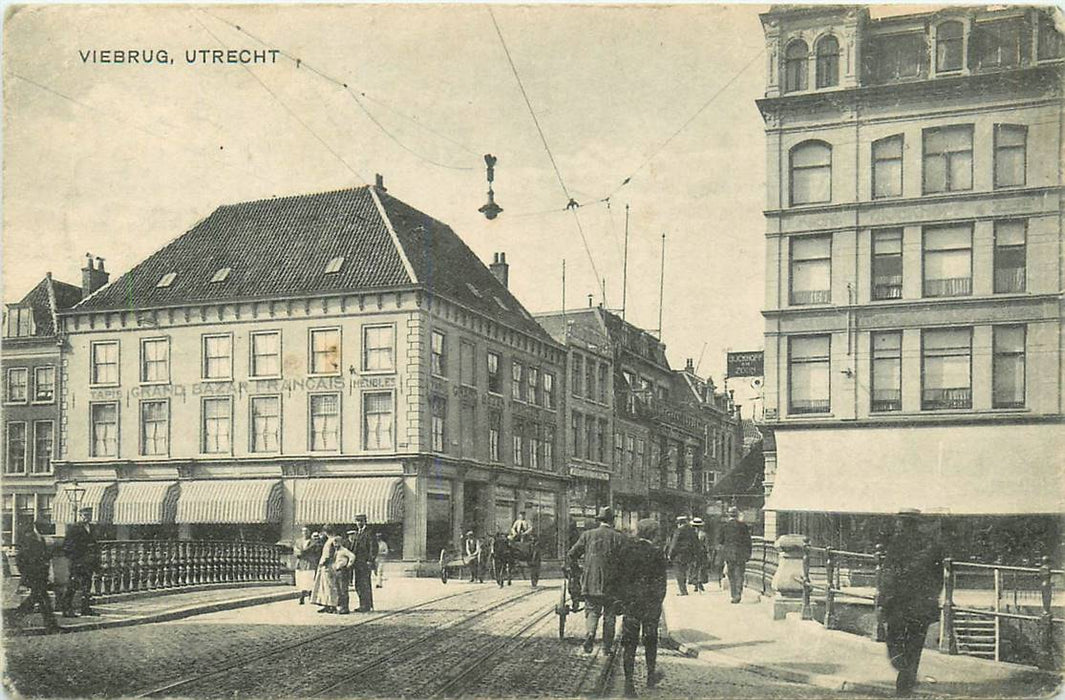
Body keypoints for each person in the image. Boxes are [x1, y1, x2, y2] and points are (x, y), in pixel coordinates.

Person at [880, 509, 944, 697]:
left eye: (900, 522)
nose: (898, 525)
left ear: (905, 523)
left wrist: (883, 598)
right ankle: (905, 683)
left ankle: (903, 676)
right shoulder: (932, 545)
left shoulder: (896, 545)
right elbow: (938, 579)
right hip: (920, 605)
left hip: (899, 603)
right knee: (914, 646)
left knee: (894, 640)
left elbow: (888, 574)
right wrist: (931, 598)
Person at [567, 505, 628, 654]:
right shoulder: (619, 537)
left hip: (591, 582)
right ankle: (607, 647)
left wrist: (578, 570)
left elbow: (572, 554)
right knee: (610, 615)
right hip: (612, 584)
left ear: (599, 520)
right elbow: (627, 561)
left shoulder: (588, 535)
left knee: (592, 611)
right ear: (612, 521)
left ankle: (590, 635)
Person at [617, 518, 667, 697]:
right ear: (652, 534)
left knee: (629, 644)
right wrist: (658, 601)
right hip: (650, 604)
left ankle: (628, 685)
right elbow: (662, 582)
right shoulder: (656, 552)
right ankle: (651, 675)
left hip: (631, 604)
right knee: (650, 640)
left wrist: (622, 601)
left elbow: (619, 578)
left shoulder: (626, 551)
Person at [15, 519, 61, 633]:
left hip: (41, 575)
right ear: (37, 527)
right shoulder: (30, 539)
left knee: (38, 598)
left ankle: (14, 617)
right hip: (33, 574)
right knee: (43, 599)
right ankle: (51, 626)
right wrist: (25, 573)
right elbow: (20, 558)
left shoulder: (41, 539)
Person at [62, 507, 100, 617]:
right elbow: (67, 545)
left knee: (87, 586)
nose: (87, 517)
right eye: (85, 515)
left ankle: (86, 608)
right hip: (77, 561)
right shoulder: (74, 528)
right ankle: (67, 609)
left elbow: (94, 543)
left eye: (89, 515)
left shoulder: (92, 528)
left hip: (89, 562)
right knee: (73, 585)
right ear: (80, 515)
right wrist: (75, 558)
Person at [719, 506, 752, 604]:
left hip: (729, 555)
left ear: (729, 515)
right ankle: (738, 594)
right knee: (739, 575)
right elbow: (748, 542)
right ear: (737, 515)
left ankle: (733, 595)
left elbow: (720, 542)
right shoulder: (743, 526)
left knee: (731, 575)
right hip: (741, 554)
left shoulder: (724, 526)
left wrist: (723, 554)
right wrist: (748, 554)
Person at [350, 514, 378, 612]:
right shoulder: (358, 533)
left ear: (365, 521)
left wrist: (370, 560)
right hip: (357, 563)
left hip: (365, 563)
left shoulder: (369, 533)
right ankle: (364, 604)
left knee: (364, 584)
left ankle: (366, 605)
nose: (358, 523)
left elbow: (373, 548)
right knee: (358, 584)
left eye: (360, 521)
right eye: (357, 521)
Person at [310, 525, 341, 613]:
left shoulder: (333, 540)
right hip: (325, 565)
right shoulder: (329, 540)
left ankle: (332, 605)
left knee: (330, 585)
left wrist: (325, 561)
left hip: (328, 565)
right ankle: (326, 604)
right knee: (323, 586)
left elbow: (332, 553)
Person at [666, 515, 697, 596]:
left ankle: (683, 590)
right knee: (685, 571)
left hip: (678, 555)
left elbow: (674, 544)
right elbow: (696, 543)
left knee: (679, 572)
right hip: (689, 554)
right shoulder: (692, 531)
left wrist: (670, 554)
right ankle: (684, 589)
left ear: (679, 523)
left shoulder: (678, 531)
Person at [293, 527, 321, 605]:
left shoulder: (313, 542)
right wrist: (299, 553)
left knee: (309, 580)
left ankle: (310, 595)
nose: (305, 533)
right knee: (301, 580)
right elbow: (295, 551)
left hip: (310, 563)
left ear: (309, 532)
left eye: (307, 531)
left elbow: (316, 553)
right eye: (303, 531)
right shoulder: (298, 541)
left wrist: (304, 553)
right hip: (301, 563)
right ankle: (302, 596)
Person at [334, 531, 355, 615]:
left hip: (343, 571)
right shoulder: (336, 551)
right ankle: (340, 606)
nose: (335, 544)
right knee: (338, 590)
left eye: (337, 542)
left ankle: (345, 607)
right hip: (337, 571)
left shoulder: (344, 550)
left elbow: (352, 556)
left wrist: (349, 564)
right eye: (334, 543)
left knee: (343, 590)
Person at [690, 517, 709, 593]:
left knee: (694, 567)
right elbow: (706, 545)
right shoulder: (704, 534)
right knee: (701, 567)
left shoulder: (691, 534)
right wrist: (708, 553)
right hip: (702, 552)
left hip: (694, 552)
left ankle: (695, 583)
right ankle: (699, 582)